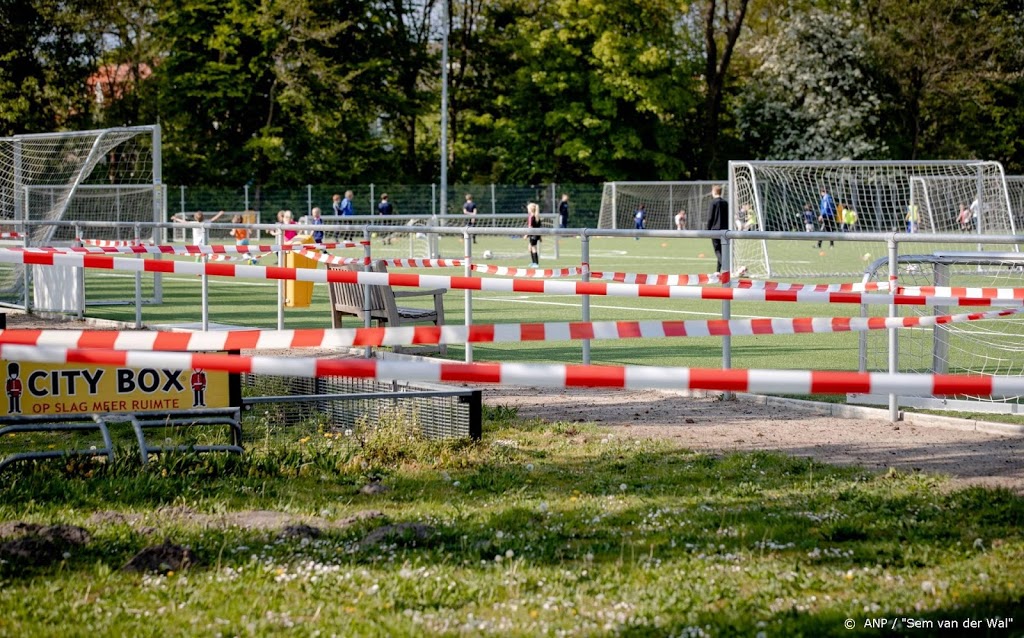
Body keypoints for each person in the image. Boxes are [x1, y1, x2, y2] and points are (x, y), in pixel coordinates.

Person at [705, 184, 728, 273]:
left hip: (715, 230)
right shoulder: (725, 203)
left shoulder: (713, 203)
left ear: (714, 192)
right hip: (725, 230)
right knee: (722, 250)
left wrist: (708, 229)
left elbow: (710, 217)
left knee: (717, 250)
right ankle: (718, 271)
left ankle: (726, 268)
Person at [526, 202, 542, 266]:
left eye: (528, 209)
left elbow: (530, 227)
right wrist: (540, 236)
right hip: (536, 234)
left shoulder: (532, 217)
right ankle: (533, 262)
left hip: (533, 235)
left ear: (530, 209)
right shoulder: (536, 216)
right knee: (530, 248)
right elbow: (539, 226)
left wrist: (526, 234)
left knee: (533, 248)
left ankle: (536, 263)